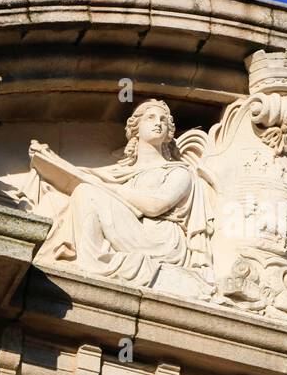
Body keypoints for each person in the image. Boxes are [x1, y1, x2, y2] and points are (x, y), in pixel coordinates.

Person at [29, 99, 212, 297]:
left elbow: (154, 205)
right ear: (136, 128)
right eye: (150, 117)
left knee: (86, 192)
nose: (158, 123)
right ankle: (45, 256)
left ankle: (95, 263)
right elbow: (82, 178)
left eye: (163, 120)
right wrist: (50, 159)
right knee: (57, 201)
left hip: (158, 239)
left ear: (169, 131)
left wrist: (109, 188)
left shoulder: (179, 172)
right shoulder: (119, 172)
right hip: (128, 230)